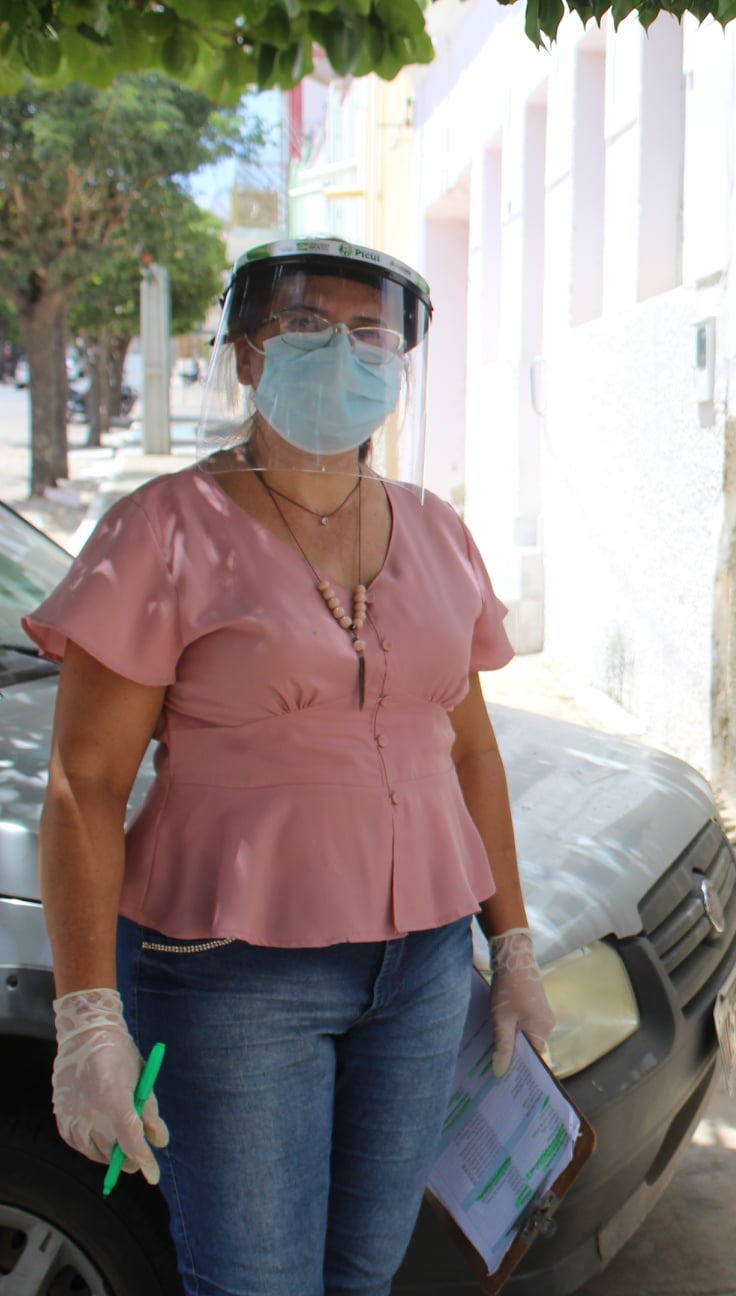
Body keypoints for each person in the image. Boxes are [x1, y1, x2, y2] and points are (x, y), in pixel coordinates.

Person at [31, 239, 556, 1295]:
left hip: (422, 971)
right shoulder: (163, 530)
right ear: (245, 356)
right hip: (232, 978)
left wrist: (513, 945)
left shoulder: (437, 531)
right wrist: (87, 1016)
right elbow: (86, 785)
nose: (344, 355)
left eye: (371, 335)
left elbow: (468, 747)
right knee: (256, 1280)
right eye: (307, 327)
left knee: (366, 1270)